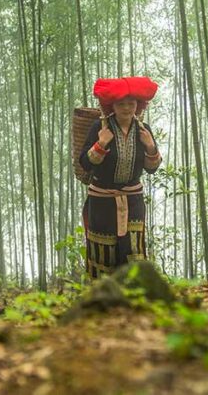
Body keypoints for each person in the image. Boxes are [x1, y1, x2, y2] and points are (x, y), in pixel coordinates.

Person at [79, 76, 162, 277]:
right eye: (121, 104)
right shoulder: (100, 129)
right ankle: (102, 299)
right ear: (111, 106)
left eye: (131, 103)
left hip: (133, 201)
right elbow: (85, 163)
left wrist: (150, 146)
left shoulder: (143, 130)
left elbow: (152, 168)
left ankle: (134, 298)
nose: (127, 108)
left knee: (133, 250)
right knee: (103, 252)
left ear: (139, 105)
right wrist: (101, 144)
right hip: (102, 202)